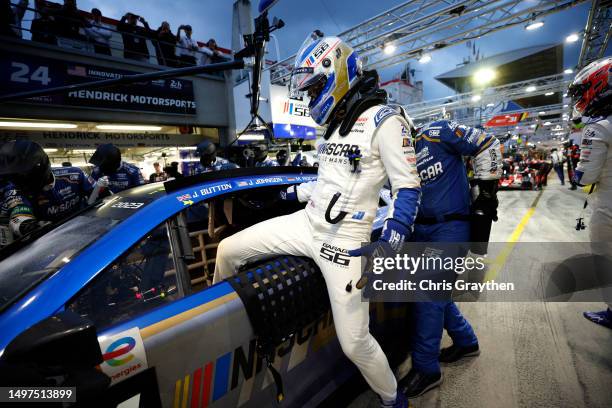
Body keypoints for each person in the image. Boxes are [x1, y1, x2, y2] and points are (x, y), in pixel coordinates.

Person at [214, 32, 421, 408]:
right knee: (228, 249)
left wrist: (391, 240)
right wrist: (282, 195)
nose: (311, 98)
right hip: (305, 225)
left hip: (345, 242)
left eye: (315, 88)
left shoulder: (386, 120)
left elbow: (408, 187)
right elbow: (327, 184)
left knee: (355, 342)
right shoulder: (336, 124)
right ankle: (219, 332)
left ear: (336, 74)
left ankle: (394, 399)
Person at [400, 117, 501, 398]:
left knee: (428, 295)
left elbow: (488, 143)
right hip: (419, 228)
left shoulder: (438, 131)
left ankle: (426, 369)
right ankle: (466, 341)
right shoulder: (394, 154)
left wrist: (486, 193)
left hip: (451, 226)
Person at [568, 57, 612, 329]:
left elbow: (586, 176)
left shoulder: (599, 126)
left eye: (583, 90)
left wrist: (577, 173)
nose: (582, 97)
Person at [0, 141, 97, 227]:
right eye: (13, 176)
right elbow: (20, 214)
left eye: (21, 175)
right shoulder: (13, 189)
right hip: (51, 240)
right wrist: (29, 226)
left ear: (40, 166)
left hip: (86, 226)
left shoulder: (75, 174)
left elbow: (98, 194)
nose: (17, 181)